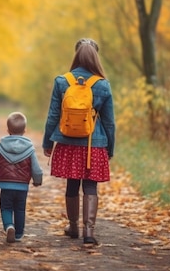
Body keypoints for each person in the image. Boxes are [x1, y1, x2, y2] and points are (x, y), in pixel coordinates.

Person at [42, 38, 115, 245]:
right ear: (96, 57)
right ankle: (88, 232)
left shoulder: (62, 81)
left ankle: (73, 227)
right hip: (94, 142)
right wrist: (110, 147)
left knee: (72, 184)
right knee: (90, 186)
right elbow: (109, 122)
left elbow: (53, 116)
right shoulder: (102, 84)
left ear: (76, 55)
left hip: (67, 140)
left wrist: (48, 142)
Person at [0, 112, 43, 243]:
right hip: (22, 186)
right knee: (20, 209)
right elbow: (37, 169)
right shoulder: (30, 149)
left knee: (6, 207)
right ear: (25, 131)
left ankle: (9, 226)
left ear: (8, 130)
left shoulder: (1, 146)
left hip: (6, 185)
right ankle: (19, 234)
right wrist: (37, 181)